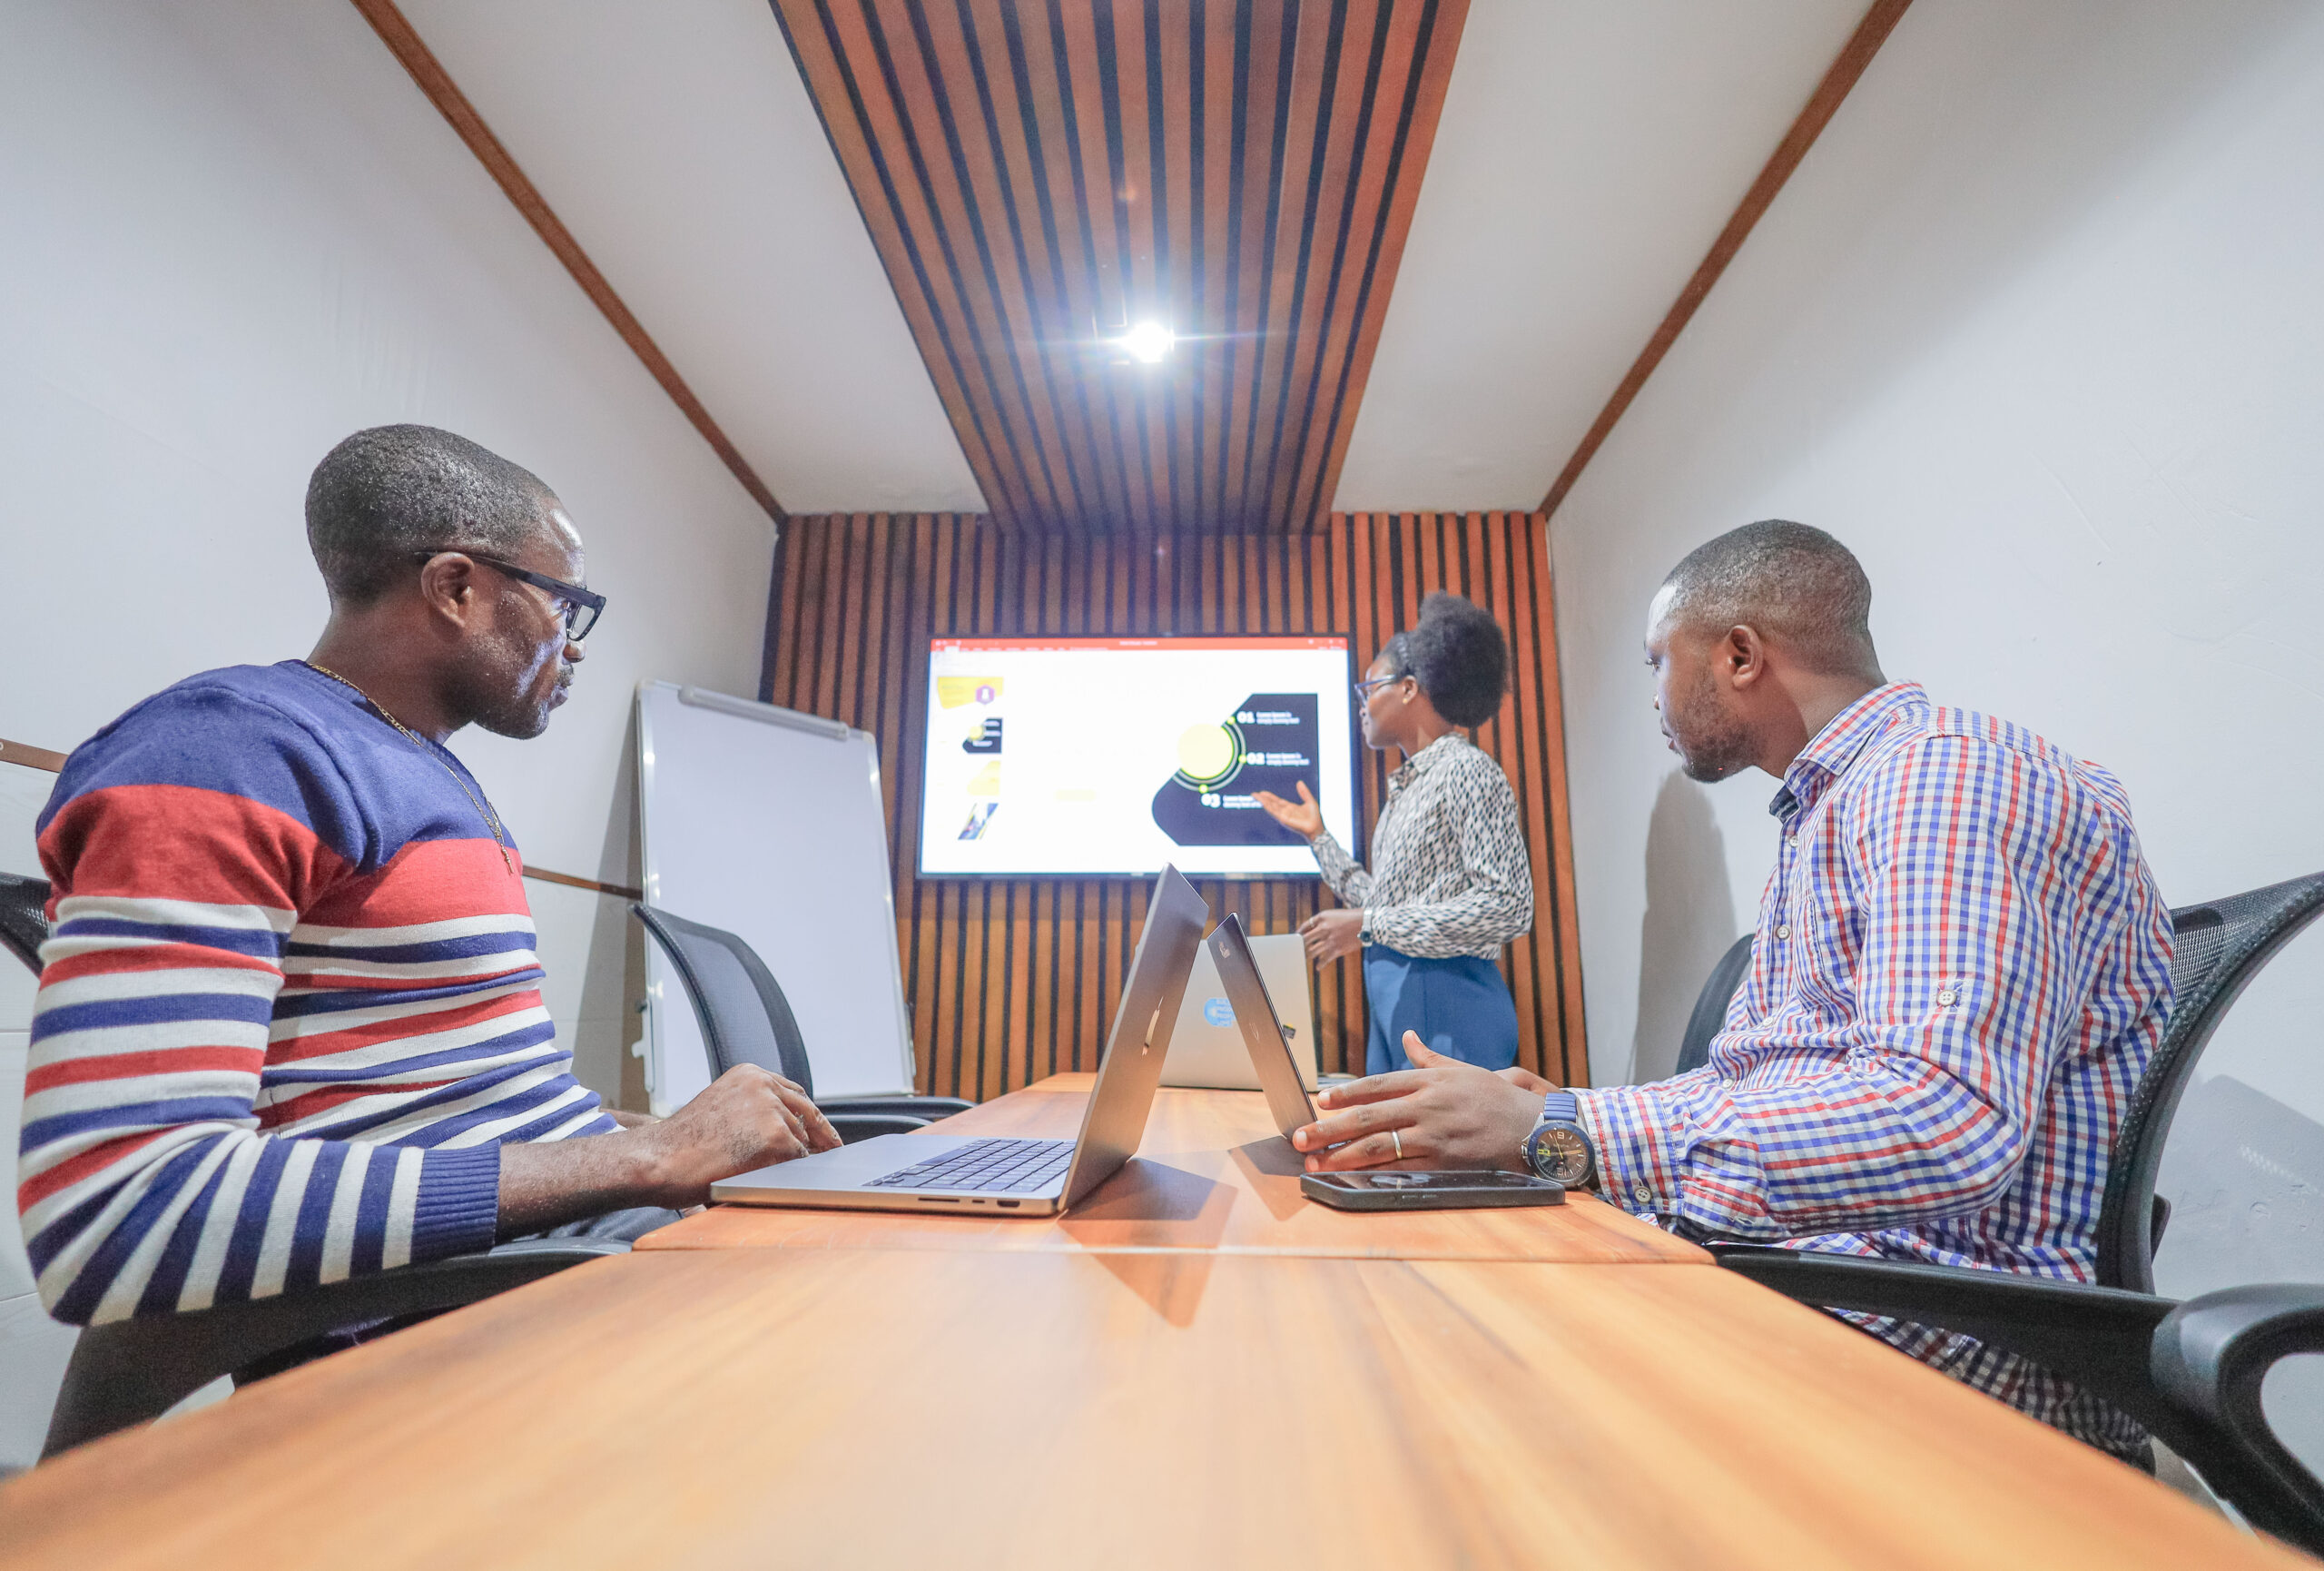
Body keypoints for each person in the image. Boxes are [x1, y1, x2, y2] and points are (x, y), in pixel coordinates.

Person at [1288, 520, 2174, 1462]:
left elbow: (1942, 1117)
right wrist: (1564, 1109)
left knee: (1442, 1368)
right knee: (1435, 1309)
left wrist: (1574, 1133)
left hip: (1946, 1343)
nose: (1653, 697)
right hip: (1827, 1275)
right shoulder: (1836, 805)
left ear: (1739, 654)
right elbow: (1756, 1086)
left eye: (1655, 662)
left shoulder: (1944, 778)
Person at [19, 424, 839, 1329]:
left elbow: (460, 1104)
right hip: (480, 1327)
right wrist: (648, 1160)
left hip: (594, 1262)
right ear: (456, 587)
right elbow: (117, 1214)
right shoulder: (232, 753)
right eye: (564, 604)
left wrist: (664, 1137)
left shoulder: (419, 768)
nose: (573, 645)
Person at [1254, 592, 1532, 1074]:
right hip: (1397, 1001)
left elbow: (1509, 907)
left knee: (1448, 1152)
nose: (1361, 704)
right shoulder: (1407, 790)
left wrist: (1369, 925)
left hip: (1449, 1002)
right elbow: (1387, 904)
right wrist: (1319, 837)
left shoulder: (1467, 770)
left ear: (1408, 689)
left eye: (1369, 688)